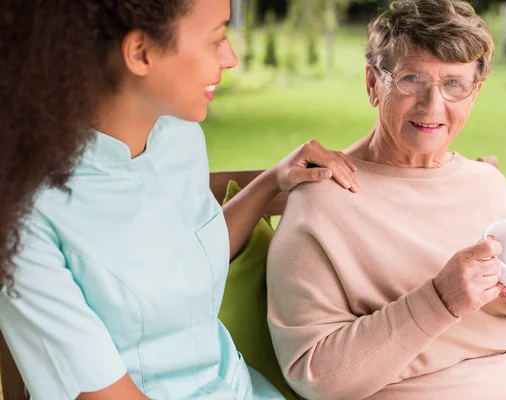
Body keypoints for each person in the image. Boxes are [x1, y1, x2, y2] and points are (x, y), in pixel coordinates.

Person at [0, 1, 363, 399]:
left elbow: (183, 257)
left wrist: (270, 183)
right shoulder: (23, 217)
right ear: (140, 53)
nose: (231, 57)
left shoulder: (178, 135)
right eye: (217, 37)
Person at [266, 1, 506, 399]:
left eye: (454, 84)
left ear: (474, 94)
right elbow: (314, 377)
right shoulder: (322, 204)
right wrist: (439, 300)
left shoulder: (486, 183)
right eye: (411, 79)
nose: (432, 105)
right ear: (373, 83)